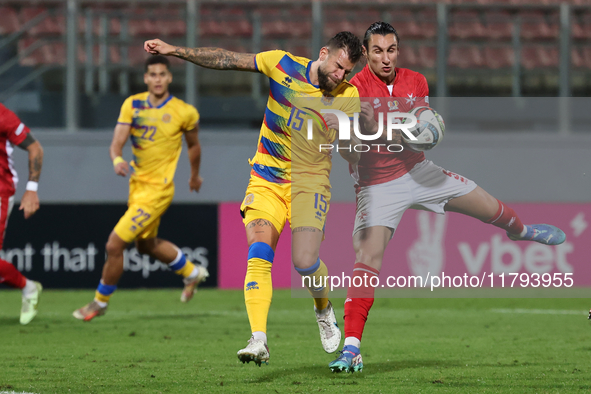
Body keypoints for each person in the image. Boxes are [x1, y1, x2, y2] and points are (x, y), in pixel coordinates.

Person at [328, 22, 567, 373]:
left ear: (399, 49)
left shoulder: (415, 81)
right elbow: (349, 156)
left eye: (391, 50)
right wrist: (356, 129)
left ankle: (520, 231)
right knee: (367, 258)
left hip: (420, 171)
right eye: (377, 51)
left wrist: (416, 125)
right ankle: (351, 348)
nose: (385, 58)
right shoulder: (352, 91)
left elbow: (426, 125)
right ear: (365, 53)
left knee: (487, 205)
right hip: (377, 185)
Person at [144, 32, 363, 366]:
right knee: (259, 253)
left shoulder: (348, 97)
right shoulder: (281, 64)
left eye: (346, 72)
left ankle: (323, 308)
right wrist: (177, 51)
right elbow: (228, 58)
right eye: (337, 67)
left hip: (310, 184)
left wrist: (345, 132)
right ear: (323, 53)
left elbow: (351, 154)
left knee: (304, 263)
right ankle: (258, 339)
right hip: (266, 179)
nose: (340, 76)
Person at [73, 56, 208, 321]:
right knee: (146, 245)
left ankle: (100, 302)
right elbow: (116, 143)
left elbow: (193, 146)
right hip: (137, 187)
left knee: (114, 245)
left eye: (162, 74)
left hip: (159, 190)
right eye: (152, 75)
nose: (157, 79)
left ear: (169, 77)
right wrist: (117, 159)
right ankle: (192, 272)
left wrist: (194, 176)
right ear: (146, 78)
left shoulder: (184, 111)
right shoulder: (132, 105)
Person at [0, 103, 44, 325]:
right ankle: (27, 286)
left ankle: (27, 287)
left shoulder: (2, 115)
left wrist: (31, 191)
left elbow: (35, 148)